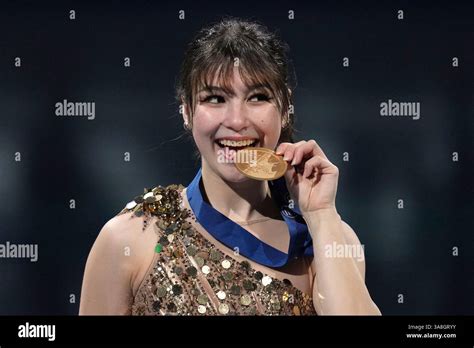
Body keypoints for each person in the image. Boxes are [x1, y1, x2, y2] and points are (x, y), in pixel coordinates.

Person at [79, 18, 381, 316]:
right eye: (215, 98)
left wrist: (321, 214)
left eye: (258, 97)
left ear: (286, 109)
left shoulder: (329, 240)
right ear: (186, 110)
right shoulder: (130, 239)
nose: (237, 121)